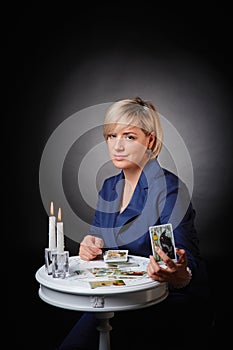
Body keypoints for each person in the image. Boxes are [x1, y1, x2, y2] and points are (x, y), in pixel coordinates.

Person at [58, 97, 213, 350]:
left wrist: (179, 273)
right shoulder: (109, 187)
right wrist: (90, 246)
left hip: (164, 299)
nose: (117, 146)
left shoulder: (170, 189)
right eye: (111, 136)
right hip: (117, 295)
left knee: (94, 326)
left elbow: (187, 266)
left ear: (149, 141)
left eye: (129, 137)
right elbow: (98, 241)